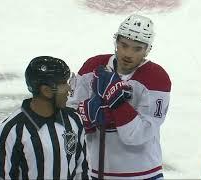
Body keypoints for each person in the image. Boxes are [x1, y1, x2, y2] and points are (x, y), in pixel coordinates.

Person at [67, 14, 171, 179]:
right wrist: (88, 114)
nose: (128, 53)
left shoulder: (156, 78)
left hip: (144, 174)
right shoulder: (92, 67)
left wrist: (116, 104)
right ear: (116, 42)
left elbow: (138, 135)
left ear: (147, 49)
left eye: (137, 48)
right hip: (95, 172)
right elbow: (69, 118)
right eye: (124, 45)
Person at [0, 56, 89, 179]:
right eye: (63, 83)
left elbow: (82, 171)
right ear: (46, 91)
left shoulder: (74, 119)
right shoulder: (12, 130)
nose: (69, 89)